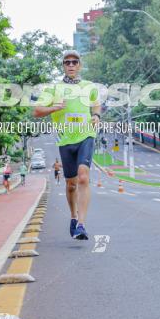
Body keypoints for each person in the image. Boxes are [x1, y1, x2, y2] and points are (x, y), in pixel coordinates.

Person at [34, 49, 101, 240]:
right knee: (71, 184)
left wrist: (96, 115)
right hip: (65, 140)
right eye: (67, 62)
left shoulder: (89, 86)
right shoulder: (53, 89)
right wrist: (55, 107)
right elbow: (37, 111)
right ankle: (73, 217)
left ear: (79, 65)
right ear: (63, 66)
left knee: (83, 178)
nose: (71, 65)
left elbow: (96, 104)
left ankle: (81, 224)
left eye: (74, 62)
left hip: (86, 135)